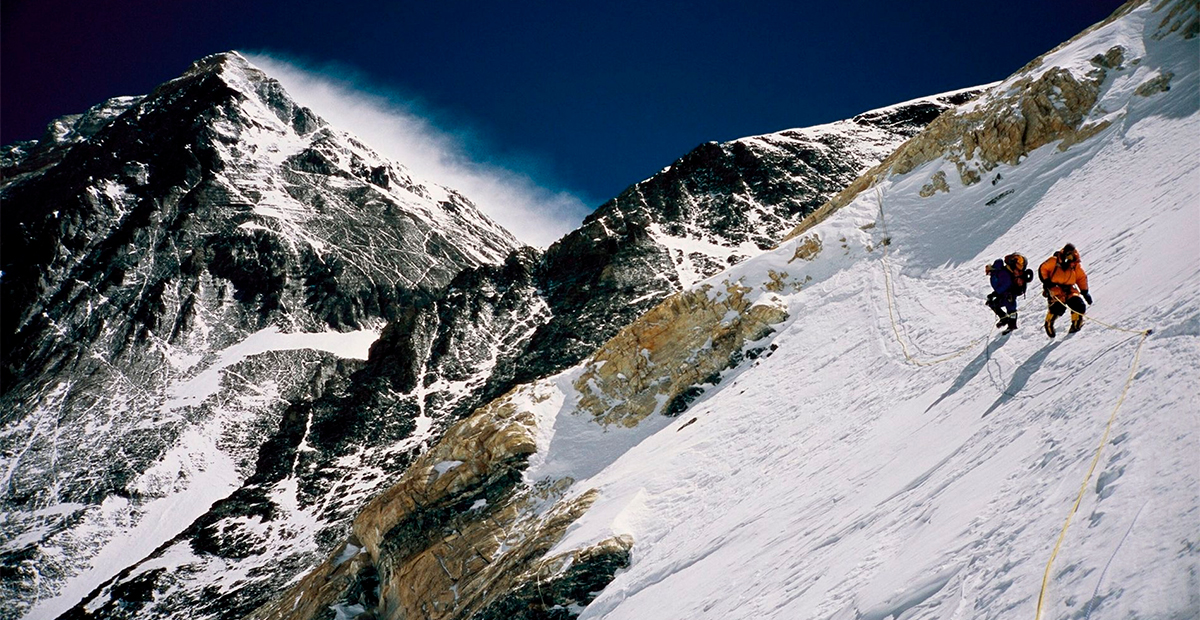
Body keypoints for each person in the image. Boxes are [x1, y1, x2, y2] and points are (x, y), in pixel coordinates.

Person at [1038, 243, 1092, 338]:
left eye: (1071, 255)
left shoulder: (1075, 265)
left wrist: (1085, 292)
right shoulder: (1054, 261)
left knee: (1078, 304)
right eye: (1068, 255)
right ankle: (1049, 323)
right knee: (1058, 307)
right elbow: (1043, 269)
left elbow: (1081, 278)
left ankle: (1076, 325)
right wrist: (1047, 282)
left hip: (1070, 288)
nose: (1070, 257)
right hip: (1055, 288)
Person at [985, 253, 1033, 333]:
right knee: (992, 303)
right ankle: (1004, 319)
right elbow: (1001, 286)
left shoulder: (1000, 273)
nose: (987, 273)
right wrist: (995, 294)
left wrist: (996, 293)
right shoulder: (997, 274)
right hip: (1005, 293)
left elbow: (1006, 284)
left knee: (1011, 307)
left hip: (1009, 293)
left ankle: (1012, 326)